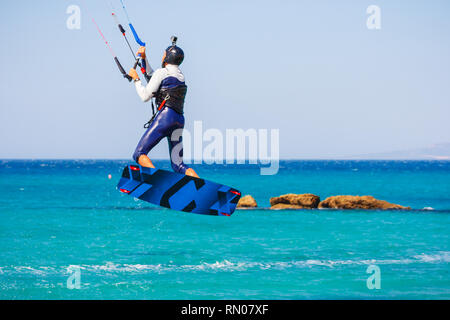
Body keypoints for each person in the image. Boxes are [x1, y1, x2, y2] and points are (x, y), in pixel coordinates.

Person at [128, 39, 198, 178]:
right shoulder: (180, 76)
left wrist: (136, 79)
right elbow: (153, 77)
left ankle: (157, 180)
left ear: (167, 57)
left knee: (139, 154)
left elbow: (145, 96)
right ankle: (200, 185)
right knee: (178, 165)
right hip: (179, 120)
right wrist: (144, 58)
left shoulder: (162, 72)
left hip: (165, 118)